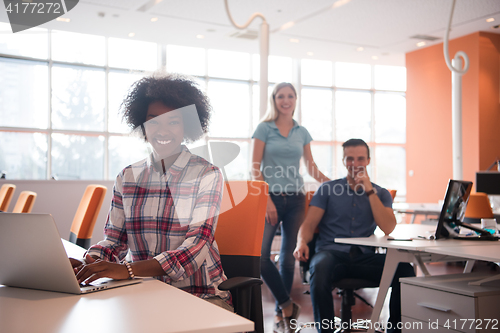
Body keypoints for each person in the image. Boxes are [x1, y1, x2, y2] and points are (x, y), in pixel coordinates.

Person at [69, 73, 232, 312]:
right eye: (154, 120)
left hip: (200, 296)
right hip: (142, 293)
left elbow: (195, 247)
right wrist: (91, 262)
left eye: (173, 121)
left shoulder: (207, 174)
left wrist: (128, 269)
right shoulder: (128, 177)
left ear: (186, 124)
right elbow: (115, 240)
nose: (162, 130)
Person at [293, 138, 415, 333]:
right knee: (320, 267)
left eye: (360, 159)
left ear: (368, 160)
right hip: (331, 255)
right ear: (343, 161)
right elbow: (308, 224)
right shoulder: (327, 189)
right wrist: (301, 243)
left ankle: (395, 331)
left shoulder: (381, 193)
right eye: (350, 159)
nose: (355, 164)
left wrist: (369, 191)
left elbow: (388, 228)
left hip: (364, 257)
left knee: (404, 270)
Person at [251, 82, 330, 333]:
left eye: (290, 96)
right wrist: (266, 200)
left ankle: (280, 314)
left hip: (296, 199)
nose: (286, 100)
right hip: (271, 198)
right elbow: (254, 169)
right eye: (281, 96)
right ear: (274, 100)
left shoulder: (302, 131)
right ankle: (286, 304)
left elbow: (311, 167)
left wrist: (335, 183)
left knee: (287, 259)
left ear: (296, 100)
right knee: (261, 257)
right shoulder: (264, 129)